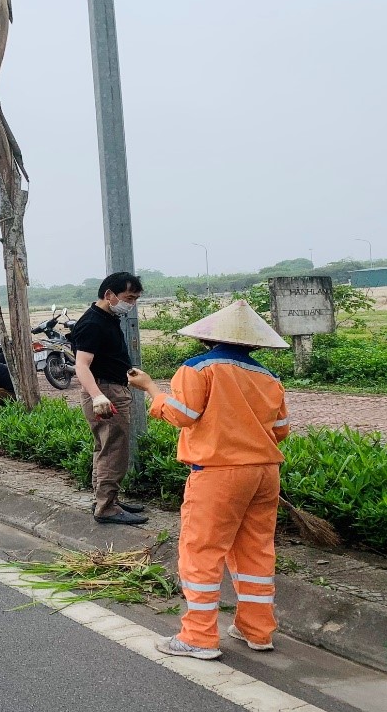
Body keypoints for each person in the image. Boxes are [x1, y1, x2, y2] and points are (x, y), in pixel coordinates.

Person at [128, 299, 291, 660]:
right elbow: (281, 430)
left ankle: (198, 637)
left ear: (207, 337)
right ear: (252, 342)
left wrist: (151, 388)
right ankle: (257, 630)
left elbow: (182, 415)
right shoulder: (269, 378)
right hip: (265, 473)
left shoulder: (198, 368)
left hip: (218, 474)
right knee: (256, 550)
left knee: (202, 551)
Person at [72, 271, 148, 526]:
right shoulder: (93, 323)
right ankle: (106, 508)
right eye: (129, 298)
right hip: (106, 392)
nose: (131, 304)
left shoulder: (106, 317)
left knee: (104, 448)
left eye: (135, 299)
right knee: (114, 450)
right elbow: (82, 365)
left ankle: (105, 500)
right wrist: (98, 396)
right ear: (109, 295)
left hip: (109, 388)